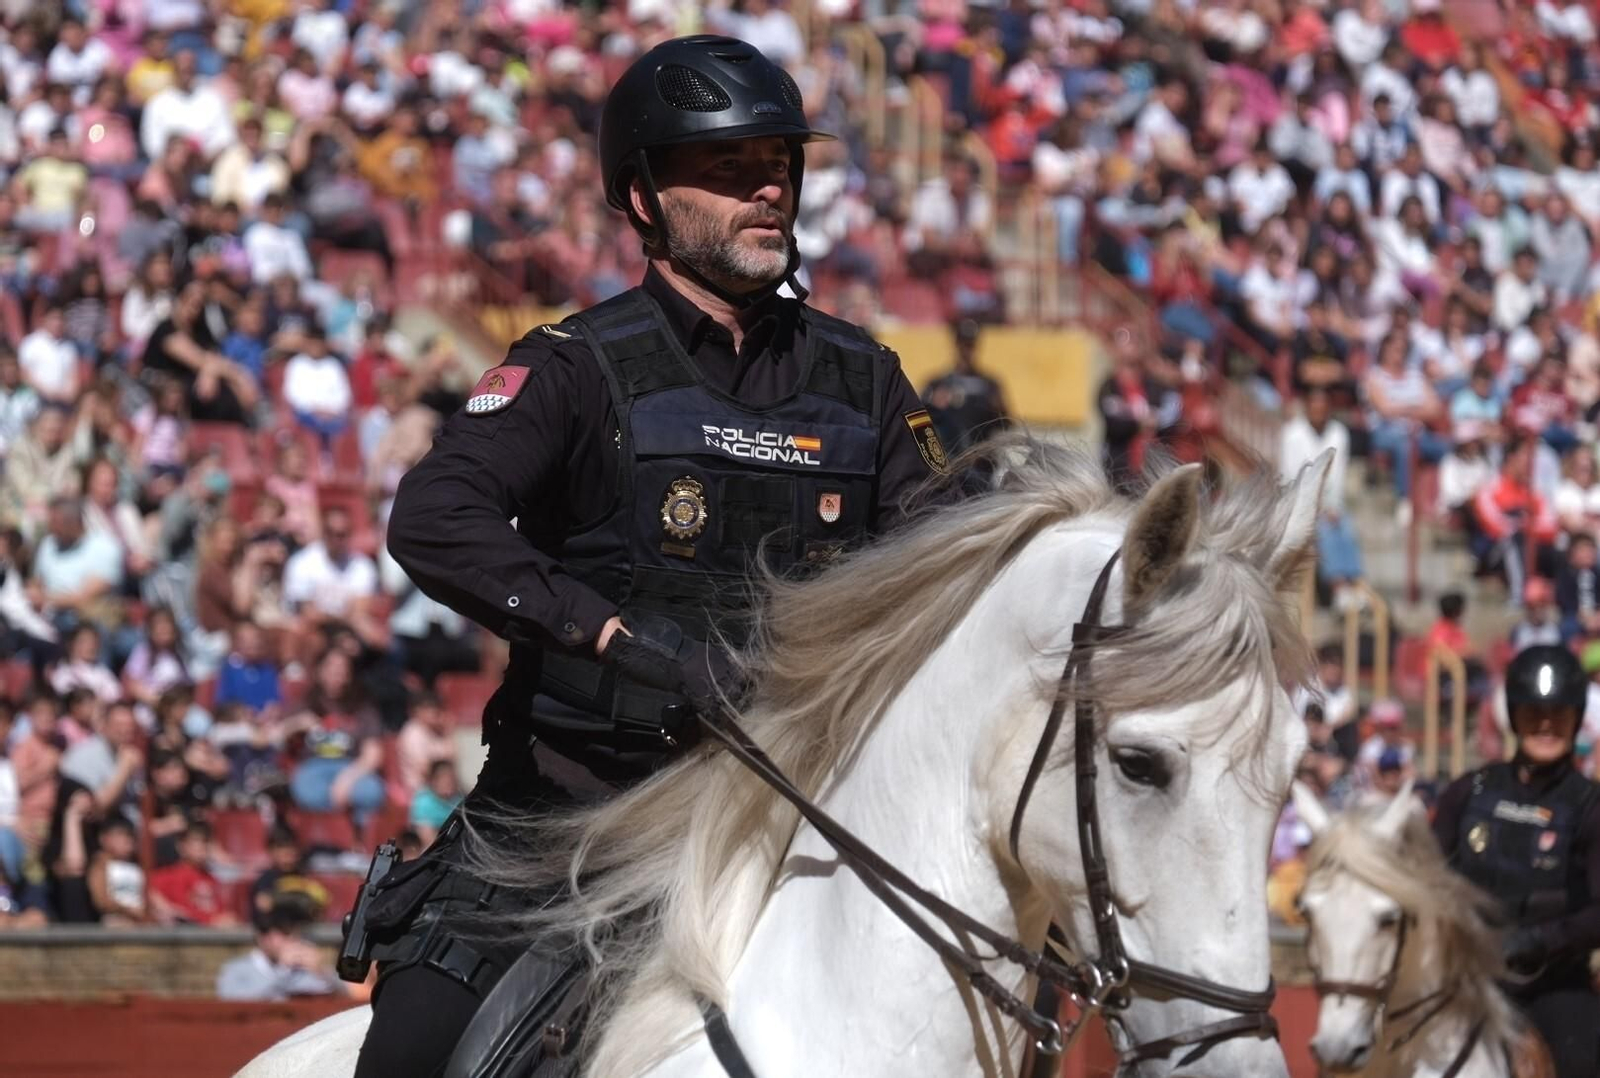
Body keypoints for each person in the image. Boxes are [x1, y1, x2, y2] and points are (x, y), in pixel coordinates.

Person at [352, 36, 948, 1078]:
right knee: (409, 1055)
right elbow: (436, 516)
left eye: (777, 163)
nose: (767, 188)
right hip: (570, 827)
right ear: (642, 198)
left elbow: (951, 549)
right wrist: (621, 640)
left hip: (789, 825)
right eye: (727, 168)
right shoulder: (575, 367)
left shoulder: (866, 381)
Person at [1433, 645, 1600, 1077]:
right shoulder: (1468, 792)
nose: (1546, 724)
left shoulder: (1590, 806)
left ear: (1577, 718)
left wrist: (1538, 941)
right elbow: (1428, 881)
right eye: (1533, 712)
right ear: (1513, 715)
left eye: (1558, 713)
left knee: (1582, 1057)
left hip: (1552, 986)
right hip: (1465, 978)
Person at [217, 902, 347, 1001]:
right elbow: (232, 1002)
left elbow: (339, 995)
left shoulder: (300, 969)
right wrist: (281, 971)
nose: (292, 939)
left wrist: (320, 972)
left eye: (295, 933)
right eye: (285, 933)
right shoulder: (236, 969)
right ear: (263, 938)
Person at [920, 318, 1009, 457]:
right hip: (948, 461)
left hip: (981, 461)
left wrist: (996, 408)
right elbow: (919, 425)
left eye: (970, 345)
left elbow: (1006, 424)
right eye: (963, 345)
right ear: (956, 345)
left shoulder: (990, 385)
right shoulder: (937, 384)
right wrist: (933, 405)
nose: (966, 351)